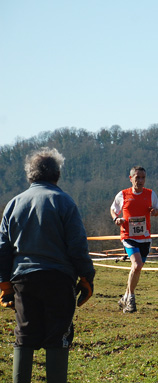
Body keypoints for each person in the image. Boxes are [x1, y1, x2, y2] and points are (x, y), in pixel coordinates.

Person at [0, 147, 95, 383]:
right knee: (58, 337)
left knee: (24, 336)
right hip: (58, 280)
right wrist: (86, 277)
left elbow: (2, 248)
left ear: (30, 175)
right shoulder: (64, 202)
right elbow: (77, 246)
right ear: (57, 174)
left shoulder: (13, 204)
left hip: (23, 280)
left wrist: (4, 285)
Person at [110, 166, 158, 313]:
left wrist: (155, 212)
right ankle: (131, 299)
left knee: (136, 269)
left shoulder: (150, 194)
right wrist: (116, 219)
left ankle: (125, 297)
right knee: (137, 265)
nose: (140, 180)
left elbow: (157, 210)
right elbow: (113, 209)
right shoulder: (123, 194)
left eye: (143, 177)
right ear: (130, 178)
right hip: (128, 236)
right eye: (137, 177)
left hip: (144, 238)